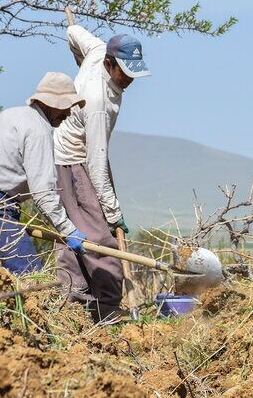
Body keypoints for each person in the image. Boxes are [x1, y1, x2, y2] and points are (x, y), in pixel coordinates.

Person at [54, 21, 151, 321]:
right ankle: (107, 307)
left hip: (69, 157)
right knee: (99, 237)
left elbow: (73, 31)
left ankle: (74, 302)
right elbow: (96, 166)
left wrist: (78, 59)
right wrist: (112, 213)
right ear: (109, 64)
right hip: (75, 160)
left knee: (73, 231)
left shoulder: (96, 51)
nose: (130, 79)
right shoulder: (97, 102)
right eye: (125, 71)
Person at [0, 72, 88, 275]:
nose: (69, 114)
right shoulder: (38, 131)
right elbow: (44, 193)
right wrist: (68, 230)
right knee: (31, 276)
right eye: (66, 107)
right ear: (51, 104)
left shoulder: (9, 115)